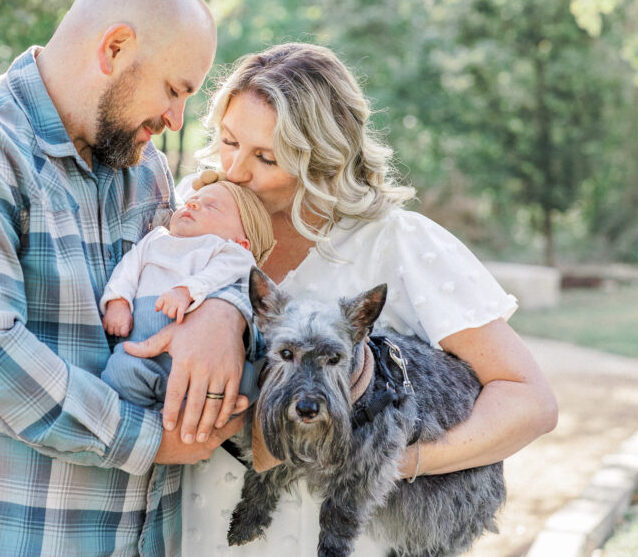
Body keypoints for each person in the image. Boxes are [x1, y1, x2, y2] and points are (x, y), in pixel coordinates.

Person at [0, 0, 255, 557]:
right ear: (115, 48)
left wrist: (223, 313)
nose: (177, 119)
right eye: (174, 90)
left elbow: (203, 267)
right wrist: (148, 439)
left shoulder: (144, 170)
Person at [179, 42, 559, 555]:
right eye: (228, 142)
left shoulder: (397, 242)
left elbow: (529, 400)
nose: (235, 171)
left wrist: (396, 462)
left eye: (267, 157)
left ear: (324, 159)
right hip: (200, 525)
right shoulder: (196, 217)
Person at [101, 173, 275, 410]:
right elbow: (127, 269)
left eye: (211, 206)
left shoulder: (230, 252)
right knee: (120, 371)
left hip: (206, 362)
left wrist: (186, 291)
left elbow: (230, 270)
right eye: (192, 200)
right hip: (143, 352)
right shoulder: (155, 239)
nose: (193, 204)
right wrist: (118, 301)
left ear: (241, 241)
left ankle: (189, 415)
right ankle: (154, 421)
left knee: (245, 382)